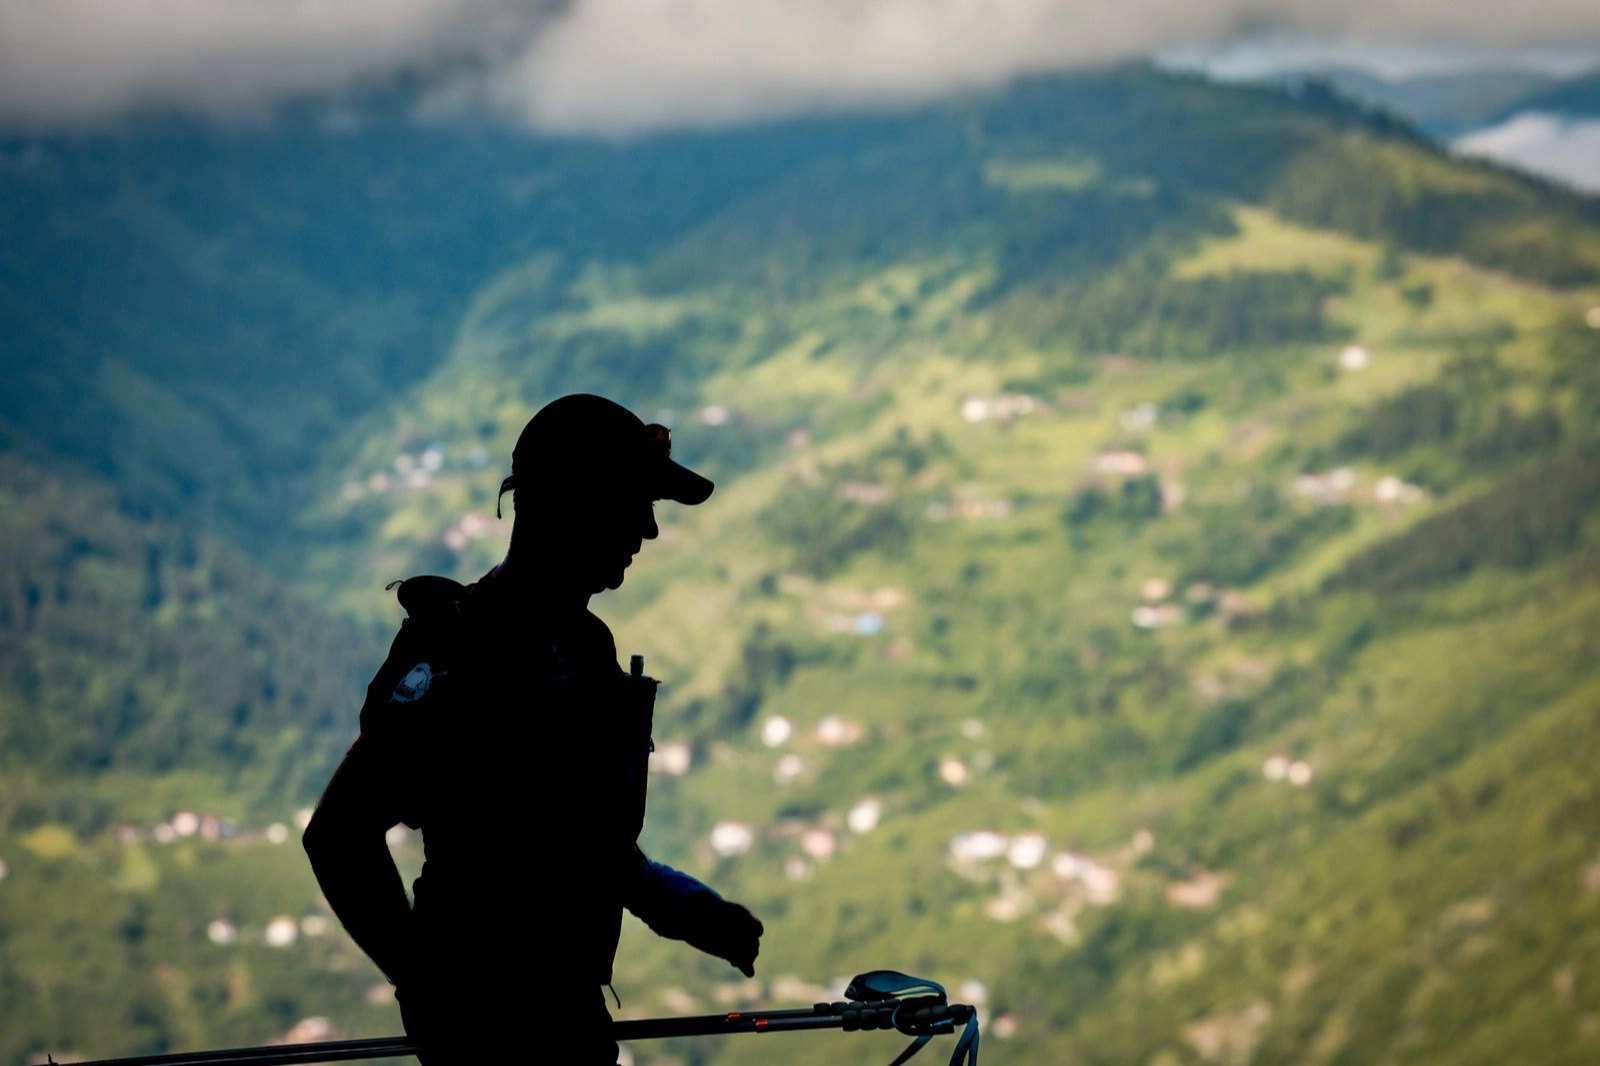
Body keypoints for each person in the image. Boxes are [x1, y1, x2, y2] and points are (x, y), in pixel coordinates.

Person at [303, 393, 764, 1065]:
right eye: (634, 503)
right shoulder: (457, 653)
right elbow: (338, 834)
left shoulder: (582, 645)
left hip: (568, 1016)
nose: (649, 529)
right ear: (575, 504)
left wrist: (672, 900)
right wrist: (429, 988)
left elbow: (564, 835)